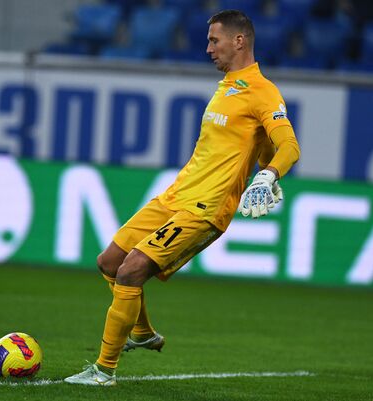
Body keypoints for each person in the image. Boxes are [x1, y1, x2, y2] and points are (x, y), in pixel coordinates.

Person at [64, 9, 301, 386]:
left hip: (206, 208)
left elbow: (288, 145)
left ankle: (104, 371)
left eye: (214, 40)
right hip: (175, 195)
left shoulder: (263, 92)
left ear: (239, 41)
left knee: (131, 270)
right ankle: (140, 333)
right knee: (110, 262)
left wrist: (269, 174)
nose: (207, 48)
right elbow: (250, 145)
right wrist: (261, 162)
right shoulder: (227, 85)